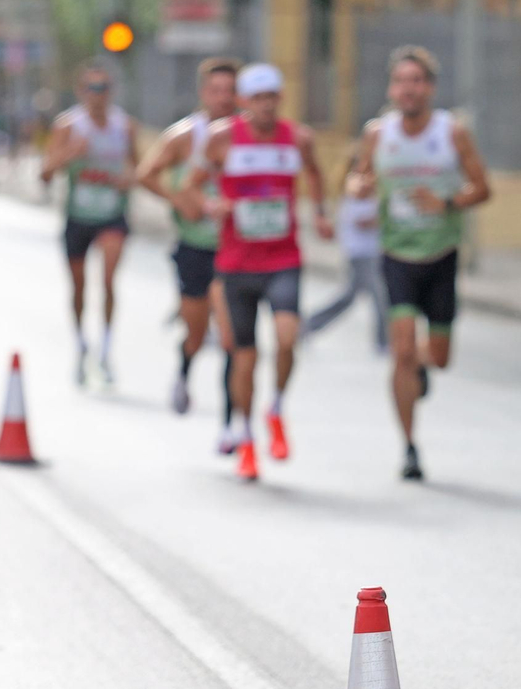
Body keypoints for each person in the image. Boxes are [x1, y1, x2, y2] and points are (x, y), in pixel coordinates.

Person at [349, 46, 491, 481]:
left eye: (416, 81)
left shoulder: (452, 133)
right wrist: (360, 187)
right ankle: (409, 447)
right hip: (396, 255)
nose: (407, 89)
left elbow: (481, 189)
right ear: (391, 89)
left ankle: (424, 369)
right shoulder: (378, 133)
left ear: (428, 88)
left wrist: (446, 200)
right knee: (402, 350)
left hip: (441, 255)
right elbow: (359, 175)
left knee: (440, 356)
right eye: (400, 81)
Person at [186, 63, 333, 482]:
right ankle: (247, 438)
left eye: (273, 98)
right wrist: (210, 204)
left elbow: (316, 174)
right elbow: (193, 184)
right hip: (237, 263)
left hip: (283, 257)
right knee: (244, 357)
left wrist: (321, 214)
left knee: (288, 337)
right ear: (244, 102)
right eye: (258, 99)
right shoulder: (223, 138)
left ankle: (277, 408)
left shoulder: (298, 139)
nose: (266, 106)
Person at [137, 57, 241, 449]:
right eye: (216, 91)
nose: (224, 99)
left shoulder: (246, 136)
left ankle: (230, 424)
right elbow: (146, 174)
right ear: (203, 94)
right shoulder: (184, 136)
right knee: (196, 333)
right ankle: (184, 370)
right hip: (195, 248)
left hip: (235, 253)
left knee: (231, 337)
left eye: (231, 91)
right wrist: (179, 201)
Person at [40, 62, 139, 386]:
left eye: (104, 88)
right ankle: (81, 344)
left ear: (111, 92)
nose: (98, 96)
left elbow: (138, 169)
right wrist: (70, 153)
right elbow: (45, 172)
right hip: (79, 216)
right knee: (79, 286)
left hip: (112, 215)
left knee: (109, 280)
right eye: (91, 89)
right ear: (82, 92)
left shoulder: (124, 127)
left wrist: (128, 180)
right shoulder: (69, 126)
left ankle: (106, 348)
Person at [302, 151, 389, 354]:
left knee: (350, 297)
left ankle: (308, 325)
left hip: (370, 253)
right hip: (361, 254)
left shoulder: (371, 192)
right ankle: (385, 342)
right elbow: (364, 222)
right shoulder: (354, 191)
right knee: (379, 296)